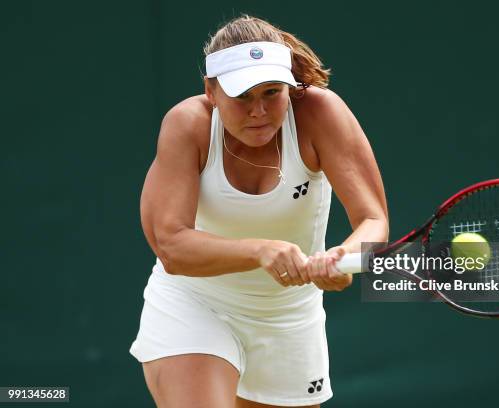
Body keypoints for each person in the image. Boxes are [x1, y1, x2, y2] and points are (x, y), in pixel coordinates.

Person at [129, 14, 388, 408]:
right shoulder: (188, 125)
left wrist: (345, 257)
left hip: (289, 320)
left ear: (290, 87)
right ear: (211, 92)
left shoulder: (320, 114)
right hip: (196, 305)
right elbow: (172, 246)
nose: (259, 110)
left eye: (271, 92)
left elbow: (373, 221)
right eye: (243, 95)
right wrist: (261, 250)